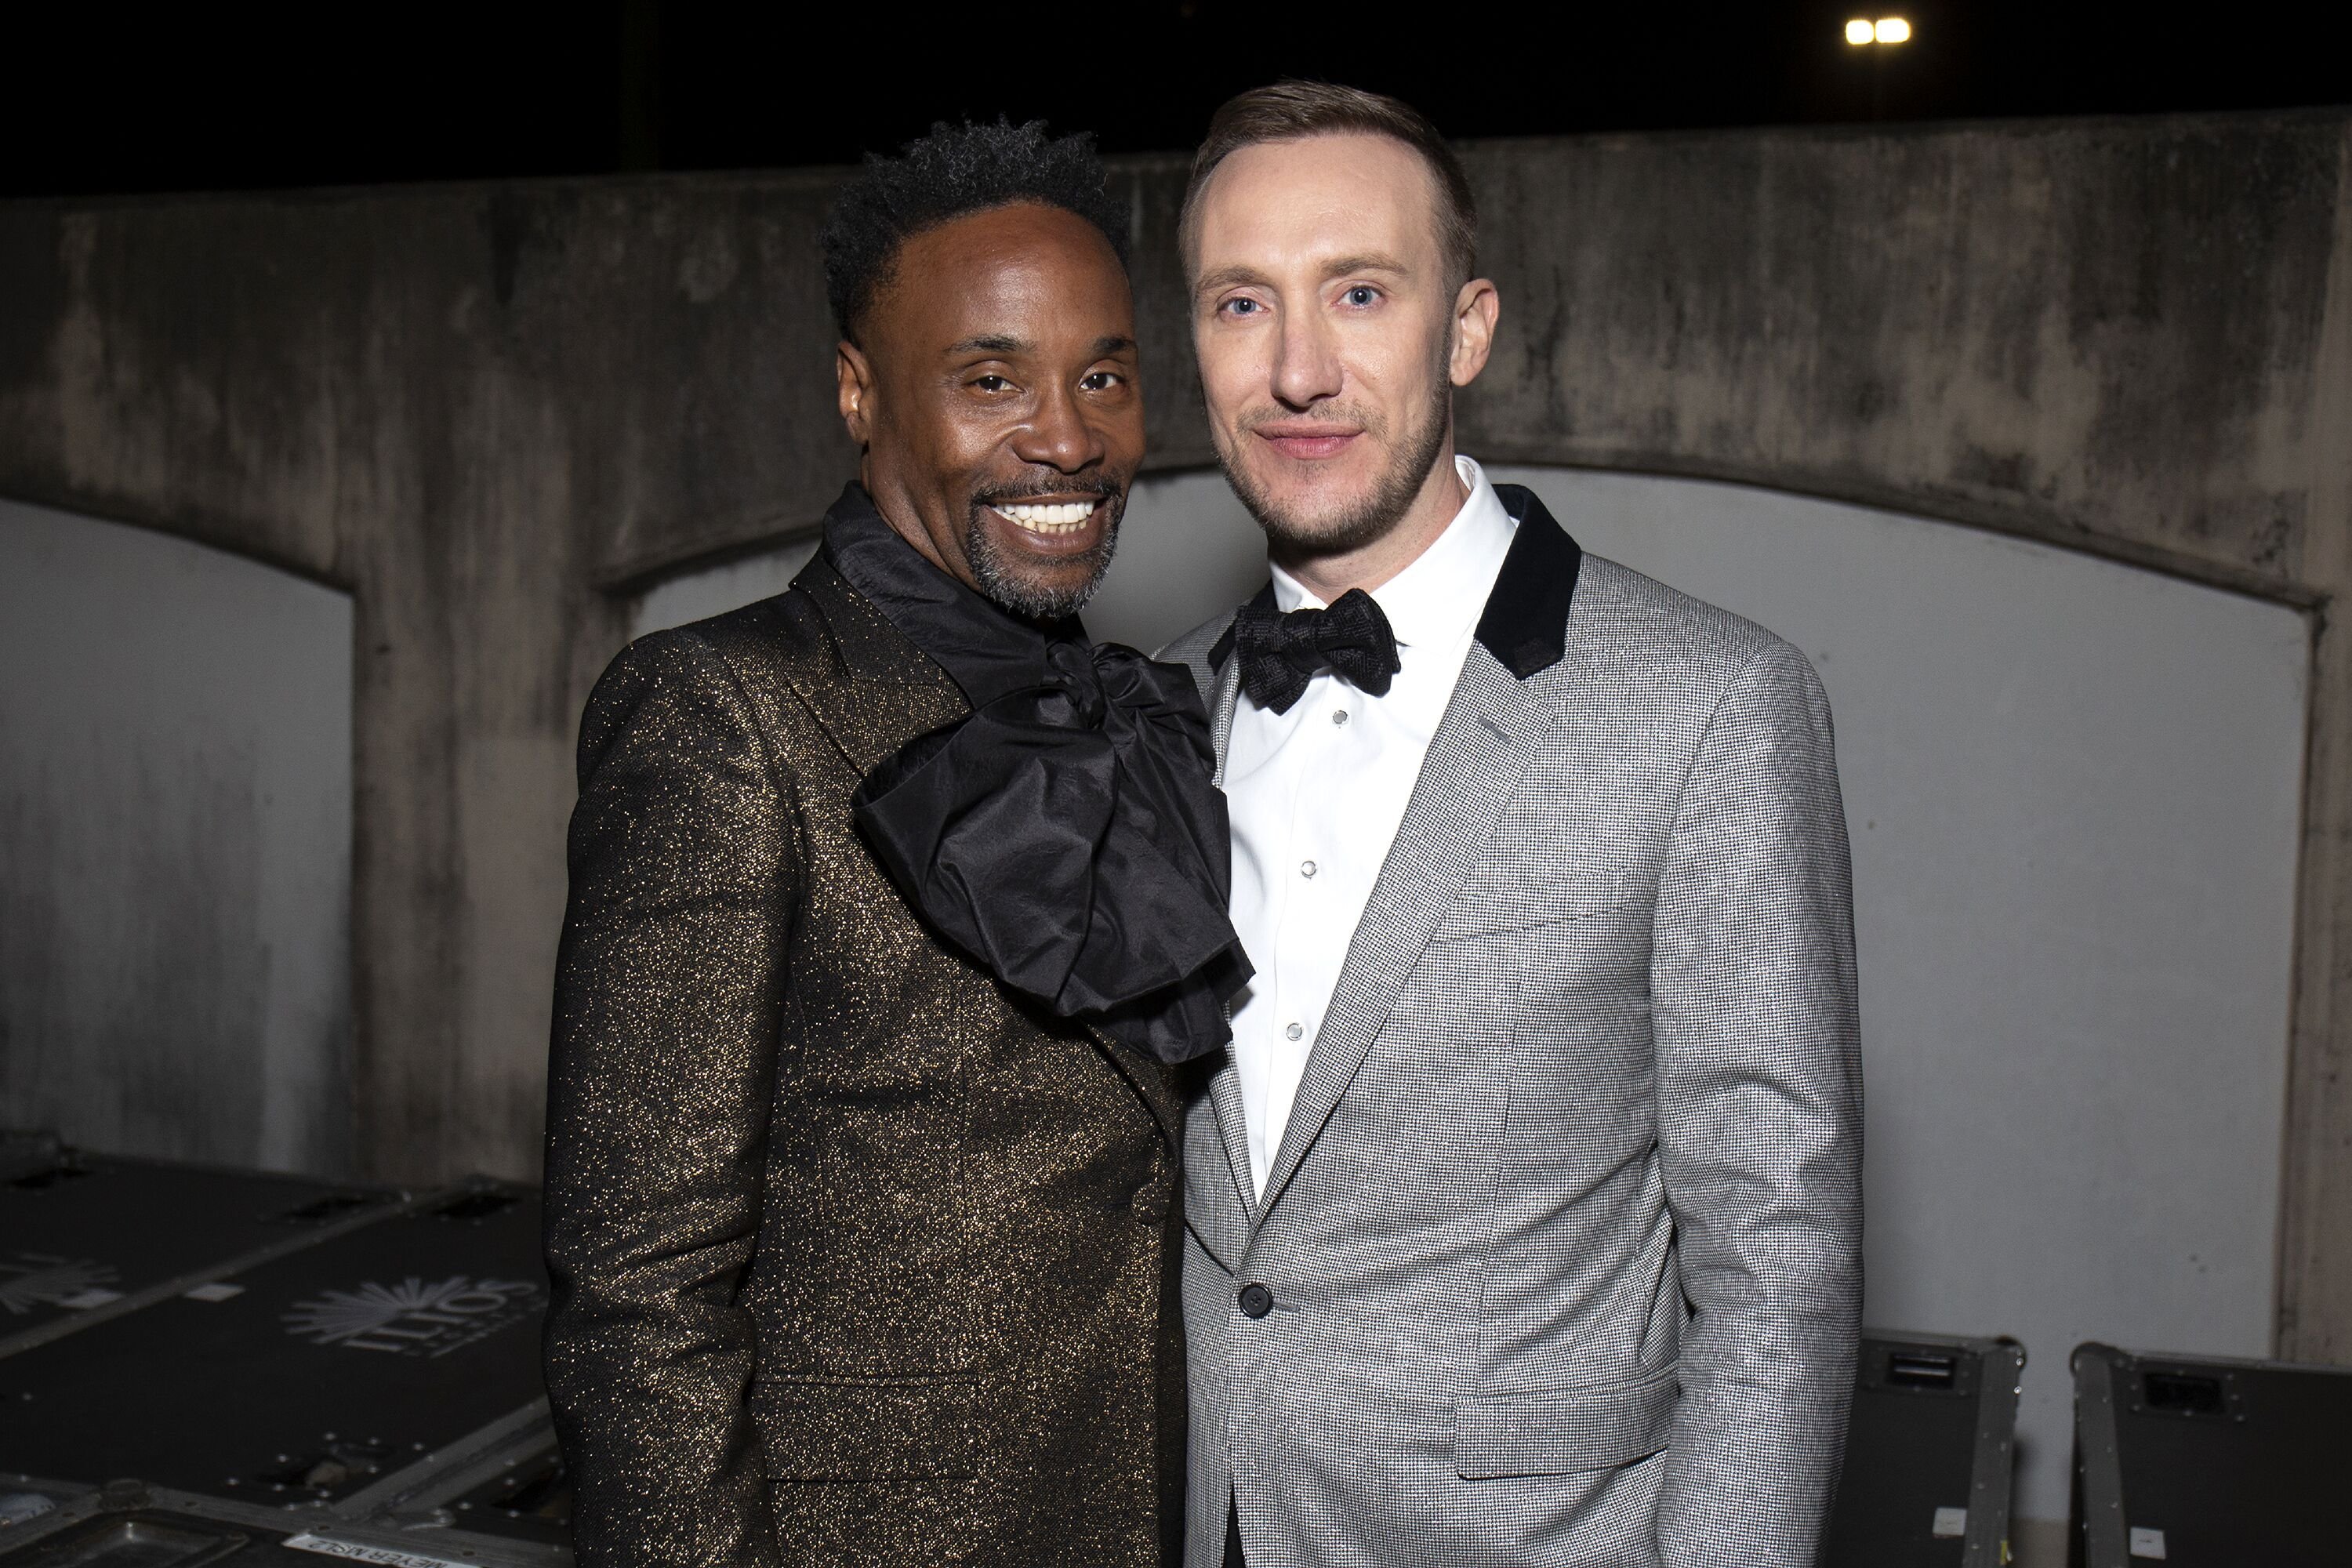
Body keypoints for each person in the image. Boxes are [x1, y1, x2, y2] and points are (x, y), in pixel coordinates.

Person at [1160, 82, 1864, 1568]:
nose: (1298, 368)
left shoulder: (1713, 707)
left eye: (1360, 292)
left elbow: (1778, 1259)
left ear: (1466, 329)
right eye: (1241, 304)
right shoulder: (1157, 711)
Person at [543, 120, 1244, 1567]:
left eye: (1101, 375)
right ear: (860, 394)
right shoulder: (721, 711)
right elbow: (637, 1297)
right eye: (991, 380)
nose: (1066, 436)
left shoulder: (1132, 709)